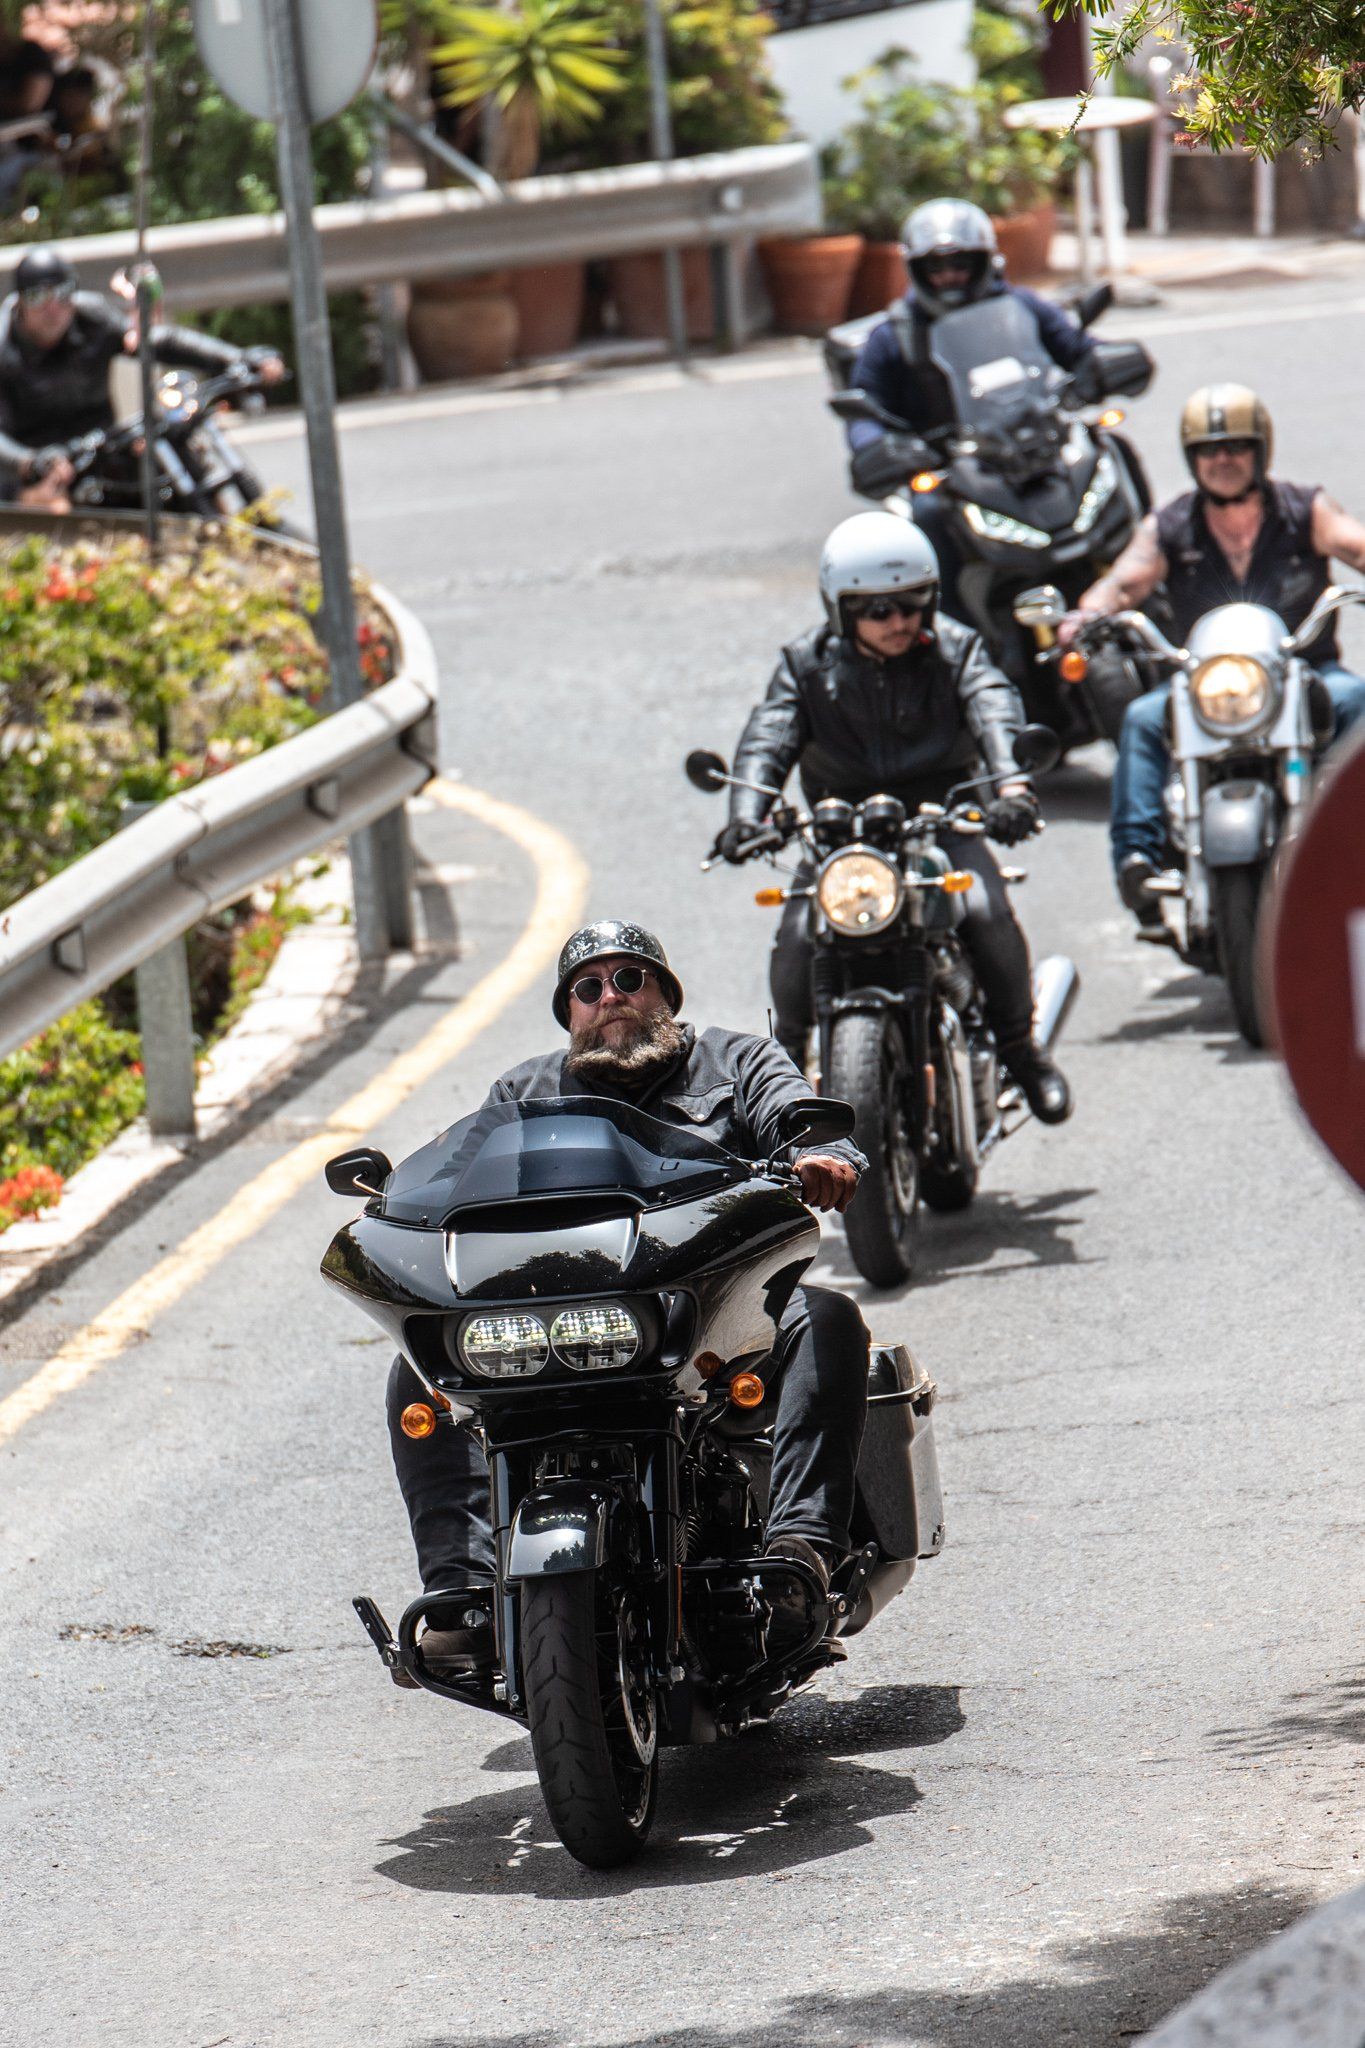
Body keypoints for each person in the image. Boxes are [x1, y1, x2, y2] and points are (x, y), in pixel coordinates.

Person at [388, 920, 872, 1676]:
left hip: (705, 1316)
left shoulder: (736, 1059)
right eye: (588, 988)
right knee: (421, 1372)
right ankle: (461, 1596)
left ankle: (800, 1553)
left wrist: (820, 1154)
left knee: (825, 1318)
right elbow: (456, 1179)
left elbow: (789, 1109)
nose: (609, 997)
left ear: (665, 995)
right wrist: (397, 1214)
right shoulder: (522, 1094)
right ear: (570, 1013)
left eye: (628, 979)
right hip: (558, 1327)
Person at [718, 512, 1072, 1126]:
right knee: (799, 938)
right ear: (842, 610)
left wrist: (1011, 789)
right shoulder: (805, 664)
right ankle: (786, 1078)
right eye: (877, 609)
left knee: (986, 911)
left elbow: (995, 710)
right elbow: (768, 736)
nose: (899, 621)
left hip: (942, 819)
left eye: (912, 603)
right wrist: (746, 813)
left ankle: (1020, 1050)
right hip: (838, 832)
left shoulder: (957, 650)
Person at [1062, 384, 1365, 921]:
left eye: (1236, 447)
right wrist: (1087, 615)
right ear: (1191, 457)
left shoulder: (1304, 509)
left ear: (1260, 450)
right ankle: (1137, 857)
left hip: (1301, 669)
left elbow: (1354, 543)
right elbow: (1124, 581)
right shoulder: (1172, 525)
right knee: (1142, 718)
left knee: (1354, 699)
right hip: (1207, 680)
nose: (1222, 460)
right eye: (1208, 449)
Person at [841, 198, 1099, 616]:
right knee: (927, 515)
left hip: (1033, 445)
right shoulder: (893, 336)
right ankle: (952, 637)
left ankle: (1153, 582)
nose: (949, 277)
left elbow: (1079, 349)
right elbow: (865, 410)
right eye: (936, 267)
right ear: (917, 270)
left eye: (961, 264)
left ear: (986, 262)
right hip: (952, 470)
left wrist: (1101, 367)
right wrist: (882, 447)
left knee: (1110, 453)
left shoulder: (1022, 307)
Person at [0, 246, 284, 503]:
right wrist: (29, 461)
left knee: (174, 462)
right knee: (50, 507)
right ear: (20, 303)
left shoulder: (92, 320)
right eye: (38, 297)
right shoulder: (4, 347)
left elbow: (157, 341)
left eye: (62, 294)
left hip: (102, 449)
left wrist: (236, 358)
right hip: (37, 465)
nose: (53, 308)